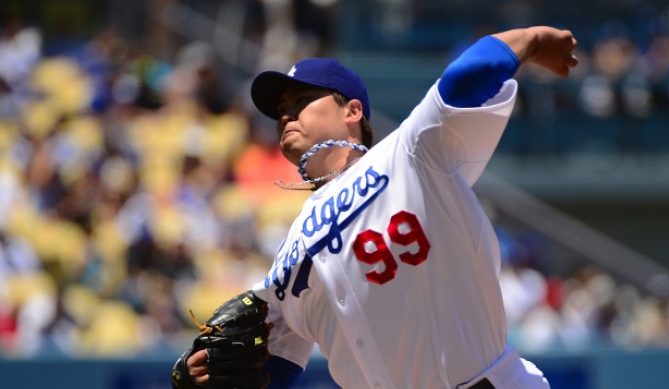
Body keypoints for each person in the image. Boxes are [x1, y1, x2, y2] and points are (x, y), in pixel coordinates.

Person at [183, 25, 578, 389]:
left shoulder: (409, 155)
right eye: (281, 108)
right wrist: (204, 370)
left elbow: (464, 79)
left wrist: (532, 40)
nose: (286, 114)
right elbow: (271, 367)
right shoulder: (291, 251)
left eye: (302, 100)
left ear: (352, 111)